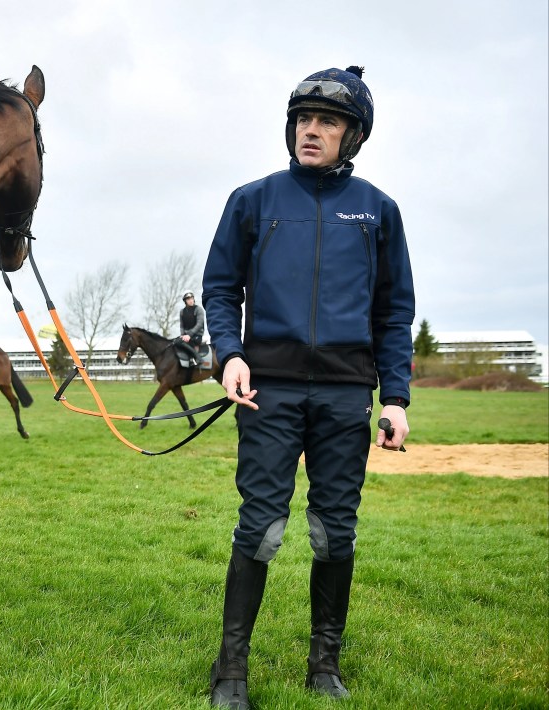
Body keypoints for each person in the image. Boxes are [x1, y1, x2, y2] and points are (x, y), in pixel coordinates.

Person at [201, 66, 415, 708]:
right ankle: (230, 673)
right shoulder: (253, 200)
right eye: (303, 119)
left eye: (327, 121)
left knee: (333, 532)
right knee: (261, 528)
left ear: (353, 135)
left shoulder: (379, 211)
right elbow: (219, 286)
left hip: (348, 394)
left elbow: (394, 309)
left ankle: (324, 666)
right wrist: (230, 355)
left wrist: (396, 396)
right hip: (268, 390)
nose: (311, 130)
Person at [176, 291, 206, 366]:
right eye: (188, 299)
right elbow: (182, 325)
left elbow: (199, 324)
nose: (191, 300)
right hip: (186, 336)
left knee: (184, 342)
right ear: (185, 301)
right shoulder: (182, 312)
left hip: (196, 335)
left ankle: (198, 358)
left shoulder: (198, 309)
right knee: (176, 341)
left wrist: (189, 335)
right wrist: (183, 335)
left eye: (192, 298)